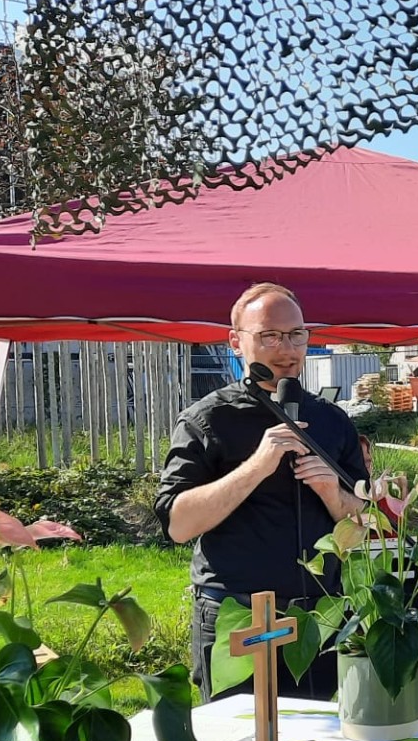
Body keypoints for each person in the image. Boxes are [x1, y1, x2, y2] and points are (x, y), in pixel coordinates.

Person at [155, 282, 369, 699]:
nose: (286, 349)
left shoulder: (331, 420)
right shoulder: (207, 420)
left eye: (296, 334)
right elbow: (178, 524)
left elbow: (361, 524)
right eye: (269, 336)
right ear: (236, 342)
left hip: (318, 612)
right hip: (238, 611)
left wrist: (330, 491)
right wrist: (256, 467)